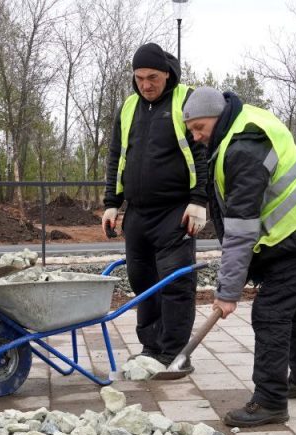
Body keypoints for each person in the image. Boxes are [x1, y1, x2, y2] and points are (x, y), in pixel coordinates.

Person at [182, 87, 296, 428]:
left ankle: (269, 401)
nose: (196, 137)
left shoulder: (243, 148)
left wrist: (227, 292)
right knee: (293, 309)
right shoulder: (237, 130)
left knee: (271, 312)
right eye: (191, 130)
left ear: (217, 117)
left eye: (199, 128)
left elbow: (241, 230)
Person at [102, 43, 209, 370]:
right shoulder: (129, 107)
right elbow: (117, 156)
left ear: (167, 74)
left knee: (175, 285)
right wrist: (112, 203)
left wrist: (199, 200)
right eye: (139, 78)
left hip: (175, 212)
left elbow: (202, 152)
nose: (146, 85)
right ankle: (151, 348)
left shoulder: (185, 100)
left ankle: (174, 354)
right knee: (142, 282)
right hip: (137, 213)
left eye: (153, 78)